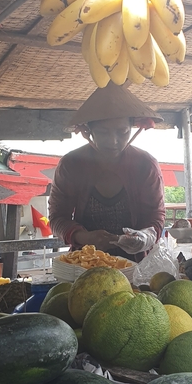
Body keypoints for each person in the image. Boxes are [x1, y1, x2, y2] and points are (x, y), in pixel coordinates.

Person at [49, 83, 166, 263]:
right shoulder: (71, 165)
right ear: (88, 131)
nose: (113, 141)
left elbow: (155, 218)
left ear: (132, 128)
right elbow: (57, 219)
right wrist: (84, 237)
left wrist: (144, 237)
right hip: (84, 264)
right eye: (103, 132)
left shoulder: (145, 165)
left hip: (136, 266)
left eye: (122, 132)